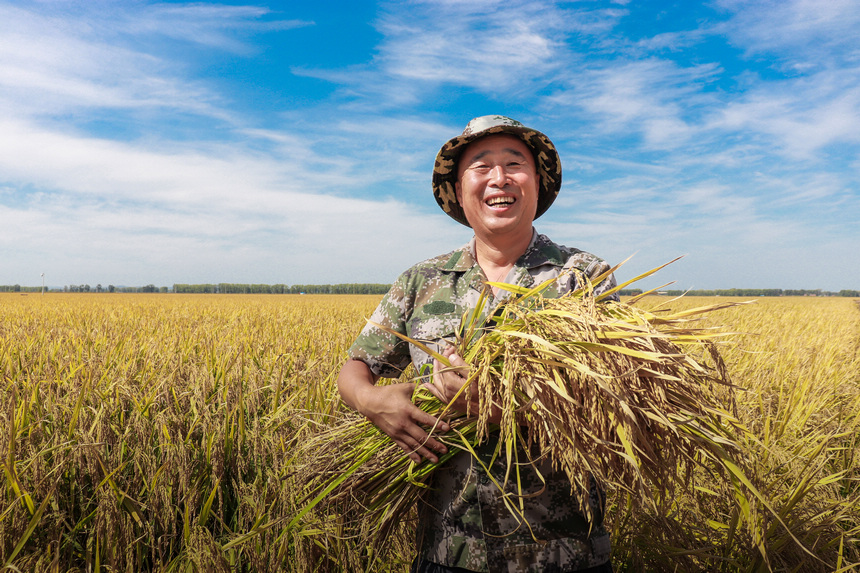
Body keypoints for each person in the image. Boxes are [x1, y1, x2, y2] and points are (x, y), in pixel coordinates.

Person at [337, 115, 617, 573]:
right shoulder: (421, 281)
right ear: (458, 189)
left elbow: (621, 401)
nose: (499, 178)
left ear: (537, 182)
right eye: (480, 166)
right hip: (450, 551)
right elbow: (355, 369)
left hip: (564, 554)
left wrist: (503, 404)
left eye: (515, 163)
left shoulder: (582, 278)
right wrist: (371, 401)